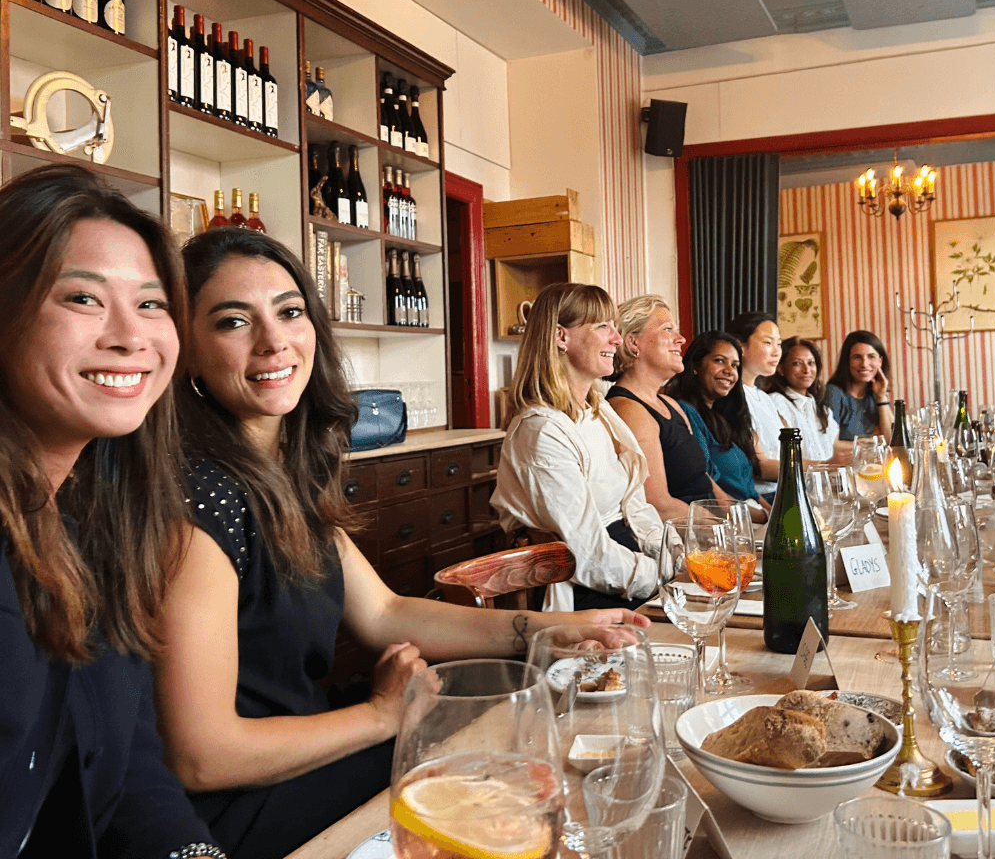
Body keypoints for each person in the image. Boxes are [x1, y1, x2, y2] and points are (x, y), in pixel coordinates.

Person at [154, 229, 645, 859]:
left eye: (289, 312)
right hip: (247, 803)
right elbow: (202, 757)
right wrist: (381, 716)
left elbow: (384, 611)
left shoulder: (280, 475)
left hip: (310, 750)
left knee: (524, 744)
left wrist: (552, 631)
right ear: (186, 351)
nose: (273, 341)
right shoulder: (200, 503)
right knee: (521, 771)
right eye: (232, 321)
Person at [0, 165, 220, 858]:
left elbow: (125, 766)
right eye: (82, 298)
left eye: (152, 304)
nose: (131, 337)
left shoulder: (89, 525)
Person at [491, 282, 669, 612]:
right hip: (590, 594)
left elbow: (635, 506)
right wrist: (660, 576)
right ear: (561, 337)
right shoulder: (542, 430)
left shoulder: (597, 410)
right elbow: (588, 555)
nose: (617, 339)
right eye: (603, 326)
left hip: (632, 567)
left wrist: (673, 557)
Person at [606, 295, 717, 516]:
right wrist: (725, 531)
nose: (681, 339)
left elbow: (704, 481)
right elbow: (657, 505)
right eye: (668, 329)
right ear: (633, 342)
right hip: (682, 532)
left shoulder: (671, 404)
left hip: (710, 525)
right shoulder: (628, 410)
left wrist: (753, 518)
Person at [665, 332, 771, 520]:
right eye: (720, 361)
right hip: (726, 520)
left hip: (750, 514)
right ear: (696, 366)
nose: (729, 371)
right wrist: (765, 518)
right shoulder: (684, 411)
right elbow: (708, 490)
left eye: (735, 365)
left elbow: (750, 491)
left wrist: (771, 513)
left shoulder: (724, 418)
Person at [724, 311, 785, 497]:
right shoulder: (730, 397)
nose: (776, 352)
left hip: (781, 490)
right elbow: (759, 466)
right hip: (757, 497)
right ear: (740, 346)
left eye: (779, 344)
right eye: (768, 343)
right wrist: (823, 468)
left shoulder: (765, 398)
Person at [766, 337, 847, 463]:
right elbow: (782, 458)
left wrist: (865, 444)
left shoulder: (821, 408)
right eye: (797, 363)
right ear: (780, 369)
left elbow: (835, 445)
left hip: (826, 475)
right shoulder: (775, 403)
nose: (806, 370)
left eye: (811, 363)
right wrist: (826, 465)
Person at [825, 330, 894, 441]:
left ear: (880, 362)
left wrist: (881, 398)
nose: (864, 364)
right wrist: (871, 441)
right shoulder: (833, 393)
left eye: (871, 356)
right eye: (857, 357)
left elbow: (893, 440)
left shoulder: (877, 393)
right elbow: (830, 444)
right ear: (847, 361)